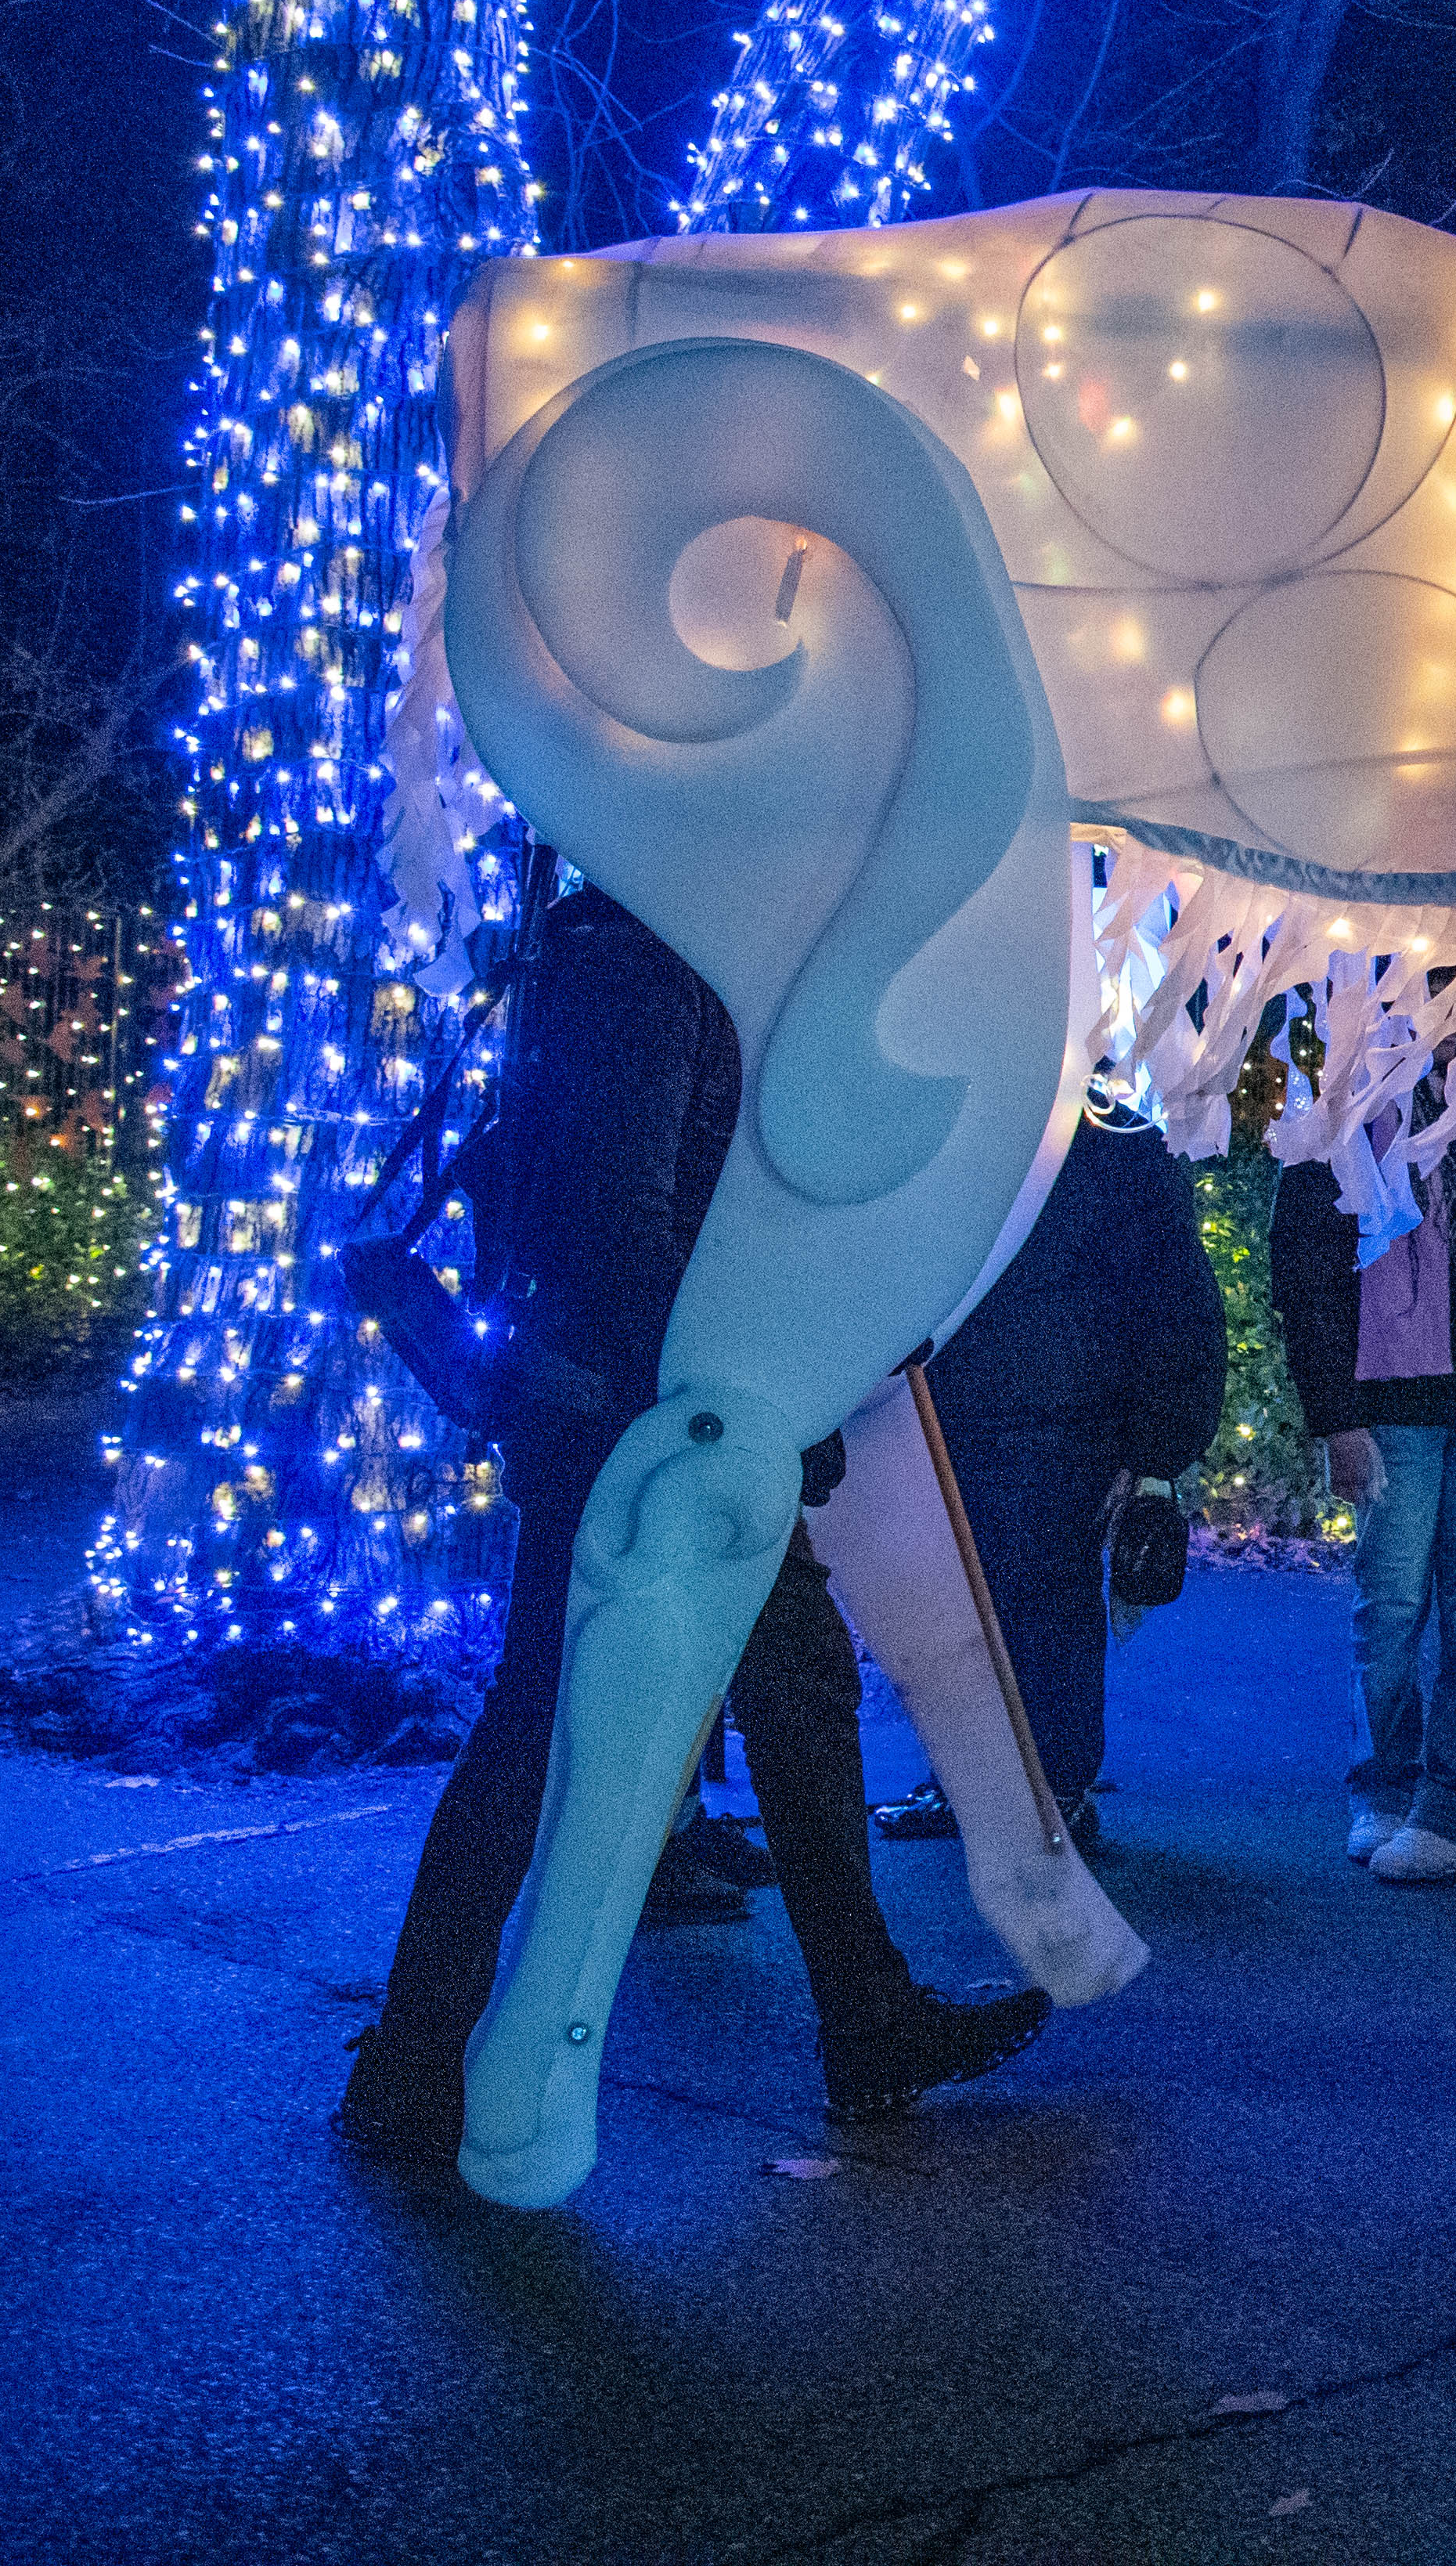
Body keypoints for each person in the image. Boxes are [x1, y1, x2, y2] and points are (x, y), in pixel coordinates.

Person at [333, 888, 1051, 2165]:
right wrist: (747, 1408)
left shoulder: (629, 943)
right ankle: (414, 2059)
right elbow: (623, 1228)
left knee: (786, 1688)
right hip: (641, 1420)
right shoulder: (646, 952)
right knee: (546, 1726)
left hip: (648, 1413)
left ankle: (861, 2014)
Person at [868, 1099, 1227, 1847]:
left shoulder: (1085, 1137)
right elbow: (1177, 1296)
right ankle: (1009, 1787)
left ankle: (1048, 1789)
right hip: (992, 1401)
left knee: (1036, 1606)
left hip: (1044, 1409)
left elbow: (1171, 1297)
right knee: (993, 1605)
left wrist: (1157, 1444)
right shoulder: (1102, 1136)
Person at [1270, 1034, 1456, 1886]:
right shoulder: (1351, 1098)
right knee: (1392, 1605)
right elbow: (1307, 1269)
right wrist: (1337, 1420)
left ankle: (1451, 1806)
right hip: (1399, 1400)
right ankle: (1388, 1790)